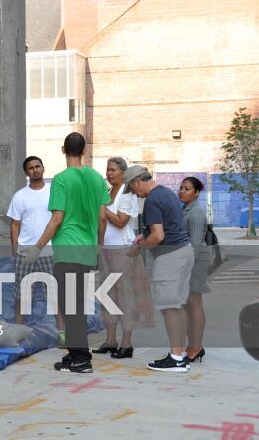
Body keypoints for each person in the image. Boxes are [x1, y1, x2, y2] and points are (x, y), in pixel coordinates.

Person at [23, 132, 110, 373]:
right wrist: (98, 246)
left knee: (71, 306)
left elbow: (56, 219)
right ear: (84, 150)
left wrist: (37, 247)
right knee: (73, 303)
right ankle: (74, 356)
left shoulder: (61, 180)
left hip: (68, 251)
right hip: (86, 250)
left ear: (63, 150)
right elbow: (102, 217)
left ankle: (81, 358)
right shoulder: (96, 178)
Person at [125, 165, 194, 373]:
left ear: (137, 181)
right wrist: (144, 236)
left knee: (169, 307)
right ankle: (179, 353)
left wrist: (139, 247)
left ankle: (175, 358)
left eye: (132, 189)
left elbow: (158, 236)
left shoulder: (152, 201)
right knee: (177, 305)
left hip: (169, 257)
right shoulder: (166, 193)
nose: (135, 194)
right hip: (183, 251)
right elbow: (165, 227)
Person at [93, 157, 155, 359]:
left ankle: (126, 342)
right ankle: (111, 340)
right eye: (107, 170)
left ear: (123, 173)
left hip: (123, 249)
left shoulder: (128, 194)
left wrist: (101, 209)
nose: (109, 174)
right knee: (107, 294)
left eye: (113, 170)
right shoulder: (106, 192)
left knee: (125, 295)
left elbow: (121, 222)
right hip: (106, 248)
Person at [7, 156, 66, 344]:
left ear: (43, 168)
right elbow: (14, 224)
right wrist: (15, 249)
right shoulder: (20, 196)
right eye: (31, 168)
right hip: (25, 252)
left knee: (54, 293)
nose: (35, 170)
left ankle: (63, 332)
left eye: (37, 166)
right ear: (26, 173)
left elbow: (59, 219)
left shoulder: (53, 193)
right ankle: (17, 330)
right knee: (21, 294)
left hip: (48, 251)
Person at [178, 176, 210, 363]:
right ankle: (192, 345)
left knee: (195, 304)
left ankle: (196, 347)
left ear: (196, 192)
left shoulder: (196, 212)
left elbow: (196, 244)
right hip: (187, 261)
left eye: (187, 188)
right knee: (187, 306)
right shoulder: (186, 209)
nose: (182, 191)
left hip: (195, 263)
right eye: (181, 188)